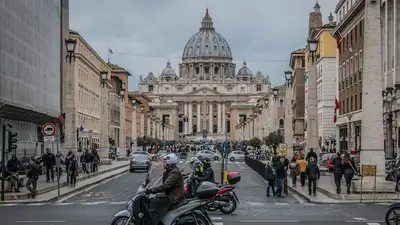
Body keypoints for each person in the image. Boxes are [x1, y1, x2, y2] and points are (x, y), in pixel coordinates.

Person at [146, 153, 185, 225]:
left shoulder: (174, 172)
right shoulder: (169, 171)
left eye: (165, 162)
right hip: (170, 194)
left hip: (174, 197)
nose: (164, 163)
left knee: (155, 204)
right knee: (155, 199)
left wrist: (152, 190)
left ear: (170, 163)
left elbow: (166, 186)